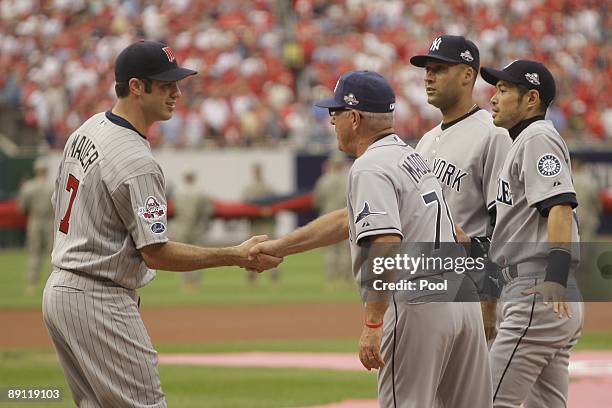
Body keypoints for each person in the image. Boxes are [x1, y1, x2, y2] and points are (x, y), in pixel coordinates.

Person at [41, 40, 281, 408]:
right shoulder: (135, 158)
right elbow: (156, 252)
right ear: (137, 86)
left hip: (62, 289)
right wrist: (236, 254)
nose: (176, 93)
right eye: (166, 84)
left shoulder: (86, 130)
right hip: (99, 296)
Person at [250, 70, 492, 408]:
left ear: (354, 117)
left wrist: (373, 321)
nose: (332, 121)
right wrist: (281, 247)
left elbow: (386, 240)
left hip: (417, 303)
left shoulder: (370, 167)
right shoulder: (411, 157)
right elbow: (354, 220)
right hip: (460, 297)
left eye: (335, 113)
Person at [480, 59, 584, 407]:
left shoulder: (537, 137)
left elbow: (559, 206)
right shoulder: (524, 141)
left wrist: (554, 274)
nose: (494, 97)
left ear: (531, 99)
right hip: (543, 295)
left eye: (504, 89)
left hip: (537, 289)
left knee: (486, 400)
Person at [410, 35, 512, 341]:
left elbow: (503, 226)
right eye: (427, 69)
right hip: (429, 288)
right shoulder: (425, 141)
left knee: (483, 390)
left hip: (472, 291)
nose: (428, 76)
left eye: (439, 68)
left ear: (468, 74)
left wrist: (489, 302)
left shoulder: (492, 134)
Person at [17, 157, 54, 295]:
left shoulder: (28, 187)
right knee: (53, 254)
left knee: (34, 253)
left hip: (35, 220)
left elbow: (21, 208)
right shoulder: (52, 186)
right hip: (50, 221)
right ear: (46, 171)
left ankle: (31, 285)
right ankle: (53, 285)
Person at [313, 153, 352, 285]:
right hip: (346, 217)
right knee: (346, 249)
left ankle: (331, 278)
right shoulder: (349, 179)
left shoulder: (324, 180)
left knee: (331, 249)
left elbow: (317, 201)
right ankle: (346, 279)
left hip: (328, 218)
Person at [173, 171, 214, 292]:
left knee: (184, 255)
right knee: (198, 255)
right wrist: (203, 225)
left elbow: (176, 212)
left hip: (184, 228)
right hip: (195, 228)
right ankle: (193, 283)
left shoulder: (178, 193)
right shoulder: (199, 193)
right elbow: (207, 211)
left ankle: (187, 283)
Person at [242, 163, 280, 285]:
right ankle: (251, 279)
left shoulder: (268, 188)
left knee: (272, 252)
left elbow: (276, 205)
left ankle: (274, 279)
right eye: (256, 171)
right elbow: (243, 207)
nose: (257, 173)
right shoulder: (248, 189)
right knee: (250, 252)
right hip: (254, 224)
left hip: (267, 224)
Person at [572, 158, 601, 242]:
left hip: (572, 218)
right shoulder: (590, 181)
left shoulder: (568, 181)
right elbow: (597, 202)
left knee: (573, 247)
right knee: (587, 248)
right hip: (589, 218)